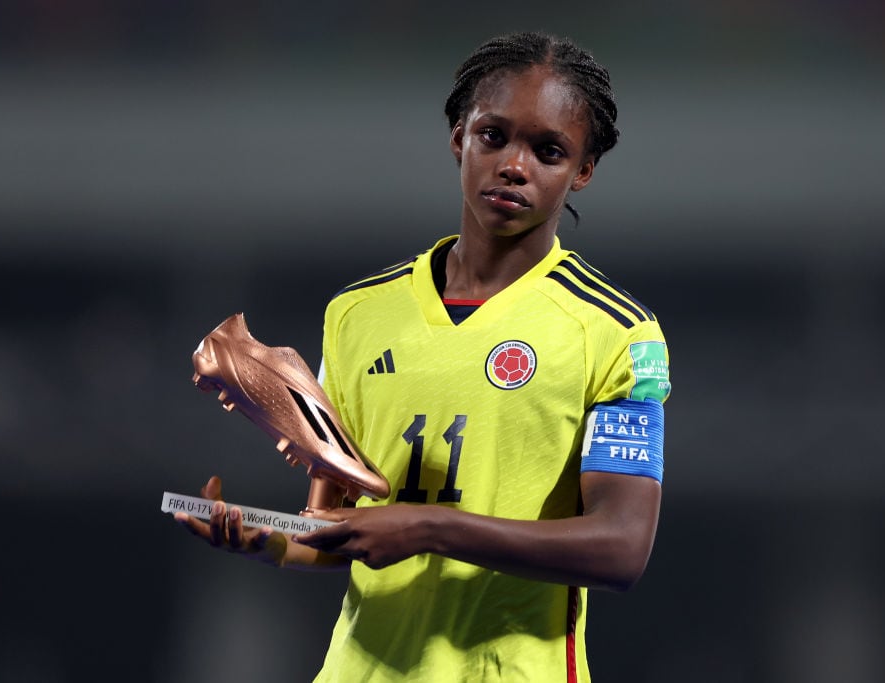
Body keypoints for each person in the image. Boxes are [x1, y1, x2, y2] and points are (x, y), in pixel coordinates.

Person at [175, 31, 671, 682]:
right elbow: (334, 527)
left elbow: (622, 548)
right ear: (458, 136)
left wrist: (432, 526)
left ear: (582, 171)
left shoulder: (619, 333)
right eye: (494, 136)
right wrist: (268, 539)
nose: (514, 165)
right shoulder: (356, 315)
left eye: (548, 150)